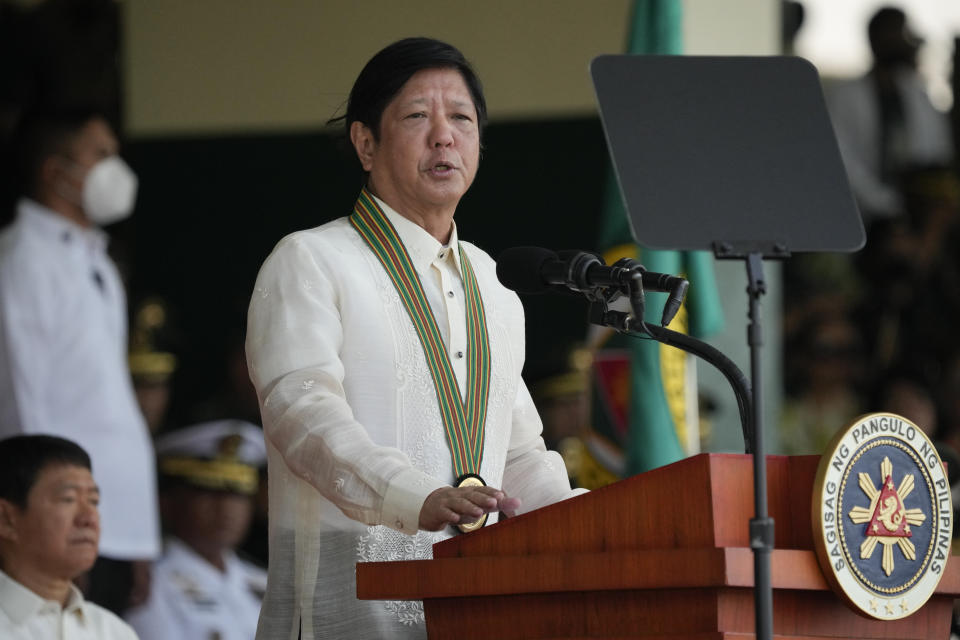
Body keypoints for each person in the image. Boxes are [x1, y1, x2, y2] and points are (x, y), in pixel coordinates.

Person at [245, 37, 587, 639]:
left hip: (475, 609)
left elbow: (517, 455)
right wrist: (413, 495)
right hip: (348, 612)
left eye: (461, 118)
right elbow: (300, 411)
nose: (444, 136)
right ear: (365, 142)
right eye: (416, 116)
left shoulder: (495, 281)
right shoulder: (311, 259)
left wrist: (590, 522)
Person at [0, 109, 160, 612]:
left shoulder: (95, 259)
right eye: (101, 155)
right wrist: (49, 534)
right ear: (56, 172)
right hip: (61, 526)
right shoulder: (23, 259)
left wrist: (139, 531)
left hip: (111, 521)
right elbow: (20, 402)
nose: (116, 168)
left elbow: (107, 404)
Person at [125, 420, 267, 640]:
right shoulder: (149, 586)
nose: (226, 507)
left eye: (237, 494)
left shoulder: (263, 583)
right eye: (209, 492)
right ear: (168, 502)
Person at [0, 434, 139, 639]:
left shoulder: (114, 632)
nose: (89, 518)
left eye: (93, 501)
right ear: (6, 519)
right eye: (68, 499)